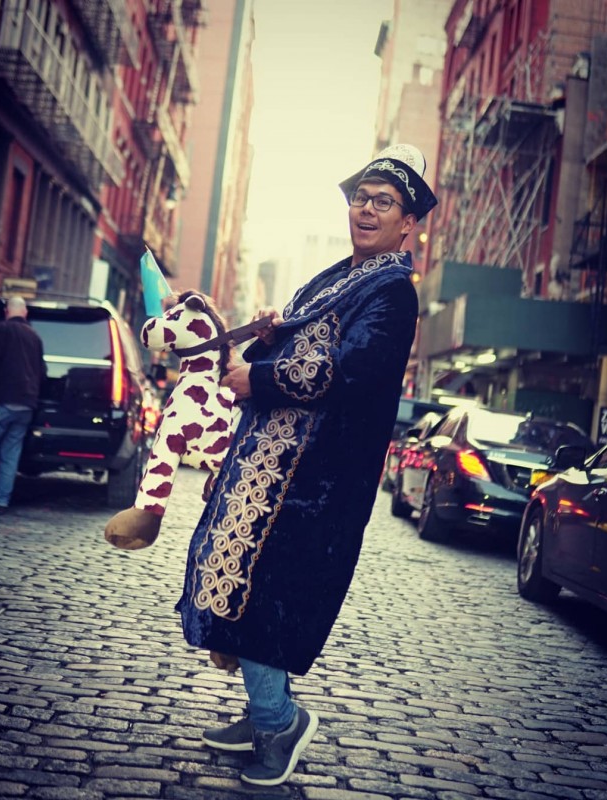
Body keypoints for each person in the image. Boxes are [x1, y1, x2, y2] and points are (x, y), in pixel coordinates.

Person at [175, 143, 438, 786]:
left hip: (318, 481)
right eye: (361, 198)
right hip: (272, 467)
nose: (367, 210)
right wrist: (273, 336)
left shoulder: (392, 293)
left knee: (264, 599)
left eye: (384, 202)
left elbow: (349, 371)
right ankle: (261, 713)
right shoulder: (331, 278)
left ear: (408, 222)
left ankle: (278, 721)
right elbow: (308, 344)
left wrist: (258, 377)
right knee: (236, 579)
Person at [0, 295, 46, 515]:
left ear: (7, 311)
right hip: (25, 406)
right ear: (25, 312)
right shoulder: (35, 337)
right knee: (10, 455)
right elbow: (42, 372)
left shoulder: (0, 330)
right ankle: (2, 503)